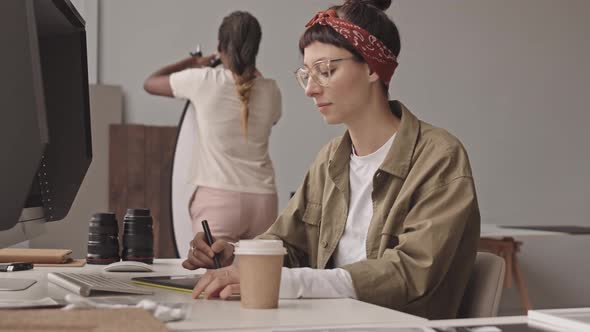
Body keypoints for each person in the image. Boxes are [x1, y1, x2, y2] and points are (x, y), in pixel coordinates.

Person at [184, 0, 480, 319]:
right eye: (306, 74)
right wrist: (237, 257)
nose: (311, 89)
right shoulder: (330, 159)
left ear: (371, 67)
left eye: (326, 71)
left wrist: (289, 282)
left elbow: (411, 272)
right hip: (329, 322)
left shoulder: (439, 156)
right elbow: (288, 243)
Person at [144, 11, 282, 244]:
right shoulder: (272, 90)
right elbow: (272, 118)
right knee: (255, 279)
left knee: (212, 278)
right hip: (263, 201)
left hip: (219, 199)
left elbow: (150, 83)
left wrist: (192, 62)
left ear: (220, 47)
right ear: (255, 49)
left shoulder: (204, 80)